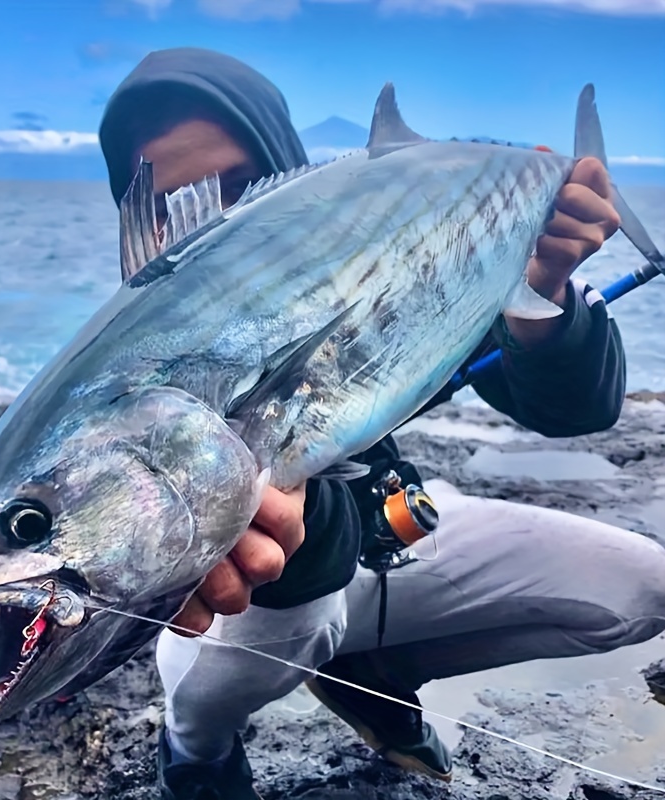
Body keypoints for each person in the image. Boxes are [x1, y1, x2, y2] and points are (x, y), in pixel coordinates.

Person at [98, 47, 665, 800]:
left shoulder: (417, 253)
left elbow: (578, 411)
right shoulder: (137, 380)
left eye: (239, 188)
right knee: (208, 713)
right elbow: (289, 560)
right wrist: (270, 502)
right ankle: (193, 754)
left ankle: (377, 673)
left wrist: (544, 290)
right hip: (272, 604)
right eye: (180, 207)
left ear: (288, 174)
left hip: (395, 537)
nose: (219, 225)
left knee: (640, 590)